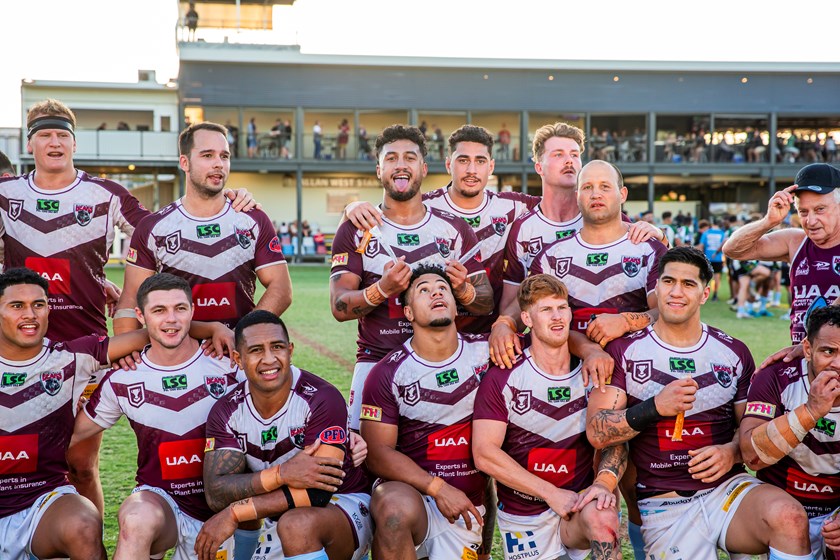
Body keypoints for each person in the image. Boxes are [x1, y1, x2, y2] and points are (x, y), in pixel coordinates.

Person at [0, 99, 256, 514]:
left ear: (74, 143)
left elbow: (162, 230)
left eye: (62, 134)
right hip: (21, 351)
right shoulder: (6, 194)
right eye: (45, 134)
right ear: (30, 144)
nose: (54, 142)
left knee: (80, 463)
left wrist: (227, 199)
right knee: (23, 457)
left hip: (87, 346)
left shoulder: (105, 194)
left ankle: (86, 540)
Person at [587, 246, 813, 560]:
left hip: (726, 491)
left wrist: (731, 451)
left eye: (688, 284)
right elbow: (597, 433)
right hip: (665, 502)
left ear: (705, 294)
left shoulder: (733, 352)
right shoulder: (625, 351)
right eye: (668, 282)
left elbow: (750, 430)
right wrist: (656, 406)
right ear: (657, 287)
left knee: (789, 517)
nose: (676, 292)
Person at [0, 267, 205, 560]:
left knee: (84, 523)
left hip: (40, 503)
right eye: (17, 305)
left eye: (39, 304)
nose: (30, 314)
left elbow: (159, 329)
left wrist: (212, 329)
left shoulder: (71, 357)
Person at [329, 124, 492, 431]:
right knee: (361, 462)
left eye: (410, 158)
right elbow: (339, 307)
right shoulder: (356, 228)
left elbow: (486, 302)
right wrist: (380, 290)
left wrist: (465, 291)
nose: (401, 164)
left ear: (424, 168)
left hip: (442, 362)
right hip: (376, 358)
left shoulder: (454, 229)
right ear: (379, 169)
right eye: (391, 158)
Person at [69, 273, 240, 559]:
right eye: (159, 310)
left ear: (192, 311)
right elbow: (72, 435)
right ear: (141, 315)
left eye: (180, 309)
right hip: (160, 504)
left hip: (221, 512)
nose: (170, 319)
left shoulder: (229, 366)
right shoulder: (123, 377)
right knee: (136, 521)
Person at [194, 310, 373, 560]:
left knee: (294, 524)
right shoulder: (226, 410)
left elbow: (319, 491)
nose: (269, 359)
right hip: (274, 509)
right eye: (256, 350)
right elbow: (217, 492)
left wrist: (236, 511)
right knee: (240, 506)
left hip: (340, 504)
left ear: (290, 350)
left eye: (277, 347)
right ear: (238, 358)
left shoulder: (322, 397)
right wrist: (281, 474)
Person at [473, 274, 624, 560]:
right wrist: (551, 493)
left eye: (562, 308)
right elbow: (484, 453)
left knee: (604, 517)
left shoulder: (594, 372)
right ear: (527, 319)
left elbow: (615, 438)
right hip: (524, 515)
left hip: (578, 506)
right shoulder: (504, 375)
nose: (557, 317)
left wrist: (603, 484)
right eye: (546, 310)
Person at [344, 124, 539, 335]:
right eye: (463, 160)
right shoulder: (427, 207)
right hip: (436, 332)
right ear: (448, 164)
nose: (471, 170)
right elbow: (384, 213)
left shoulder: (513, 206)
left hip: (488, 330)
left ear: (491, 167)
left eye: (480, 161)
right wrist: (349, 209)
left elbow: (560, 210)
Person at [114, 121, 292, 333]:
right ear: (184, 162)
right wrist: (127, 355)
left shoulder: (252, 219)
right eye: (208, 155)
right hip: (178, 357)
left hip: (236, 355)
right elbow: (130, 299)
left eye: (224, 156)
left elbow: (281, 289)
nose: (218, 163)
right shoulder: (153, 227)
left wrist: (242, 335)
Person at [360, 265, 488, 559]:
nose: (436, 292)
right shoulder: (387, 373)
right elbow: (377, 454)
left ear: (457, 307)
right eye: (424, 290)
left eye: (443, 288)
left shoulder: (488, 352)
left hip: (467, 508)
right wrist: (438, 488)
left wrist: (504, 325)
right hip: (414, 496)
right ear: (408, 314)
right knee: (393, 510)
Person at [740, 305, 840, 559]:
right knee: (789, 518)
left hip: (835, 510)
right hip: (782, 507)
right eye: (829, 351)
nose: (838, 364)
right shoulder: (777, 377)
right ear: (807, 348)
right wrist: (810, 411)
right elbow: (752, 455)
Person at [723, 163, 840, 344]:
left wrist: (814, 342)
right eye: (803, 212)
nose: (811, 220)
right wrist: (768, 221)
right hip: (803, 361)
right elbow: (733, 249)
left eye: (820, 209)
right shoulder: (796, 241)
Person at [697, 218, 726, 301]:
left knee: (704, 277)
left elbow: (701, 246)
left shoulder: (706, 233)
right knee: (717, 277)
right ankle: (715, 295)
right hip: (718, 258)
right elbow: (724, 245)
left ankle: (702, 294)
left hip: (707, 258)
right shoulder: (722, 233)